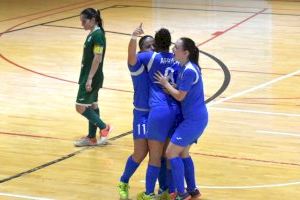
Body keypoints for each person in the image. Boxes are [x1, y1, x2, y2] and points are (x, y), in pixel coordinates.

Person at [154, 37, 208, 200]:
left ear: (185, 52)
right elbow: (183, 91)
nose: (173, 50)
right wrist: (171, 88)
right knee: (183, 153)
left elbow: (180, 96)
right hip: (195, 118)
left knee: (170, 153)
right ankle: (193, 190)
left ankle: (182, 194)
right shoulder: (187, 68)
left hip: (194, 120)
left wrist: (166, 84)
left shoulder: (189, 70)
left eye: (176, 48)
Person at [136, 28, 179, 200]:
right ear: (170, 43)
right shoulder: (178, 60)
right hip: (175, 110)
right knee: (169, 156)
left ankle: (148, 194)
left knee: (155, 157)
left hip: (159, 110)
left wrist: (134, 38)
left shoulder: (150, 57)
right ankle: (170, 191)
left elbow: (132, 59)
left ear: (155, 44)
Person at [118, 24, 155, 200]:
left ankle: (156, 191)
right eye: (149, 46)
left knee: (158, 154)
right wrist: (133, 37)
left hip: (158, 114)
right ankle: (123, 181)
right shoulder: (137, 63)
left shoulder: (158, 65)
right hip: (142, 113)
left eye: (154, 46)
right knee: (140, 153)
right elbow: (131, 55)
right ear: (142, 50)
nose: (152, 49)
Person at [74, 8, 111, 147]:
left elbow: (98, 58)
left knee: (80, 107)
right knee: (93, 105)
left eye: (84, 21)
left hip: (92, 76)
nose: (82, 24)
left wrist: (89, 78)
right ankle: (91, 138)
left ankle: (104, 127)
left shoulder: (97, 36)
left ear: (93, 20)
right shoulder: (93, 34)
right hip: (90, 75)